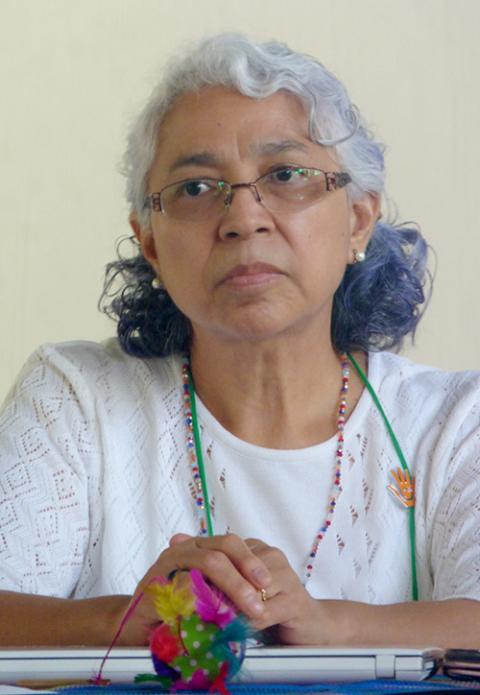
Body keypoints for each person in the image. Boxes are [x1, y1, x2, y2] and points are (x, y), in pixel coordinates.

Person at [1, 33, 479, 649]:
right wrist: (121, 622)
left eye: (286, 175)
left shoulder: (455, 422)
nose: (243, 217)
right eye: (196, 188)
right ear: (150, 243)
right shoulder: (75, 399)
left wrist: (327, 624)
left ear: (358, 219)